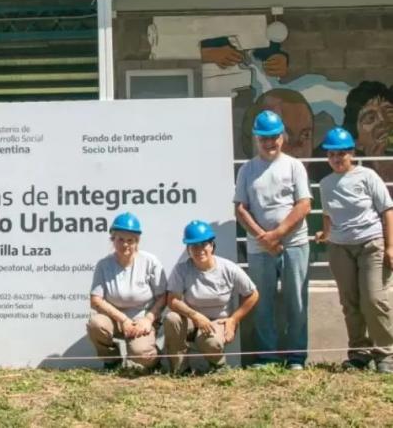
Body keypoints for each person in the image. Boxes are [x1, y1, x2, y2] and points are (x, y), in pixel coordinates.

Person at [234, 110, 312, 369]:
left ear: (283, 137)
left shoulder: (294, 165)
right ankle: (267, 356)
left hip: (294, 244)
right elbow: (240, 208)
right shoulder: (247, 169)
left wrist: (277, 235)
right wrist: (262, 237)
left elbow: (303, 206)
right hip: (259, 248)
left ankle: (296, 356)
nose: (270, 143)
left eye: (275, 137)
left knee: (296, 301)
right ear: (256, 138)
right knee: (262, 302)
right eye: (264, 138)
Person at [316, 127, 393, 374]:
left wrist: (390, 246)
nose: (337, 159)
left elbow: (387, 211)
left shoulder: (367, 176)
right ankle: (359, 353)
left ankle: (386, 354)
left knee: (373, 300)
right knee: (350, 302)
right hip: (340, 249)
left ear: (351, 153)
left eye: (342, 154)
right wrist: (325, 234)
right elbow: (329, 215)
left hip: (371, 245)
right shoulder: (325, 184)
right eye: (332, 155)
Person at [165, 221, 259, 374]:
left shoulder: (228, 268)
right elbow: (172, 300)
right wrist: (195, 316)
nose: (199, 250)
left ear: (212, 246)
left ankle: (218, 366)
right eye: (194, 246)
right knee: (172, 318)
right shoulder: (182, 269)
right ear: (188, 249)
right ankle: (180, 369)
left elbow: (253, 294)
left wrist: (234, 319)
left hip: (217, 322)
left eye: (204, 245)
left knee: (212, 343)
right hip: (191, 321)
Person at [86, 212, 167, 370]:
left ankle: (154, 359)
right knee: (96, 324)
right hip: (116, 320)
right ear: (113, 239)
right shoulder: (104, 265)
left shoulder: (150, 262)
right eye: (120, 239)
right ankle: (112, 361)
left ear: (137, 241)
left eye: (130, 240)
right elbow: (95, 300)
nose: (125, 244)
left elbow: (163, 296)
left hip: (142, 320)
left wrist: (148, 319)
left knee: (141, 356)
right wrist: (123, 320)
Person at [342, 81, 393, 183]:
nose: (383, 120)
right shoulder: (353, 177)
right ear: (357, 142)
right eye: (370, 118)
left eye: (388, 112)